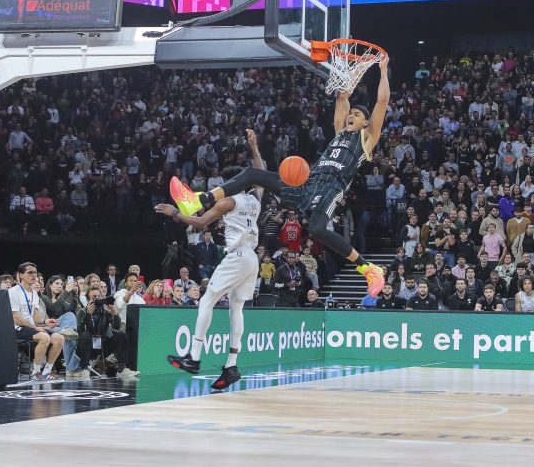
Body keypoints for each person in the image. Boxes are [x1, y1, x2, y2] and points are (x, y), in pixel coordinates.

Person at [179, 54, 391, 297]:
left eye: (357, 114)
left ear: (366, 123)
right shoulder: (338, 132)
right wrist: (350, 71)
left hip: (331, 189)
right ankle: (198, 200)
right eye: (350, 113)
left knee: (317, 230)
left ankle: (368, 268)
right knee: (252, 173)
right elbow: (342, 95)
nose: (351, 115)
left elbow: (382, 101)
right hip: (306, 184)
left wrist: (382, 71)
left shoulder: (366, 139)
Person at [157, 129, 265, 391]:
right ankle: (231, 365)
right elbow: (260, 176)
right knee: (236, 308)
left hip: (237, 255)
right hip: (252, 258)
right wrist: (254, 146)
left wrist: (174, 213)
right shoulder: (255, 199)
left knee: (206, 300)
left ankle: (193, 357)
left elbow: (199, 222)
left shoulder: (228, 201)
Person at [9, 262, 65, 381]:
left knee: (59, 339)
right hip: (16, 328)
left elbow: (33, 314)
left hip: (30, 327)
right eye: (30, 272)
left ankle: (47, 371)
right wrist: (35, 327)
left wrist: (45, 321)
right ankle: (35, 372)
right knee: (44, 337)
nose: (34, 275)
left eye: (35, 272)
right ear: (21, 275)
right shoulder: (13, 292)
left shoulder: (34, 293)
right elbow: (15, 317)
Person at [77, 287, 138, 378]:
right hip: (87, 347)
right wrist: (89, 315)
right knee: (86, 335)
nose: (97, 299)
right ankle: (84, 369)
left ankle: (121, 369)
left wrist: (115, 315)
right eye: (94, 297)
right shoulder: (82, 312)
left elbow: (116, 327)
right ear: (88, 299)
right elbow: (80, 331)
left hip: (103, 347)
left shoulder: (105, 311)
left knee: (121, 335)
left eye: (99, 296)